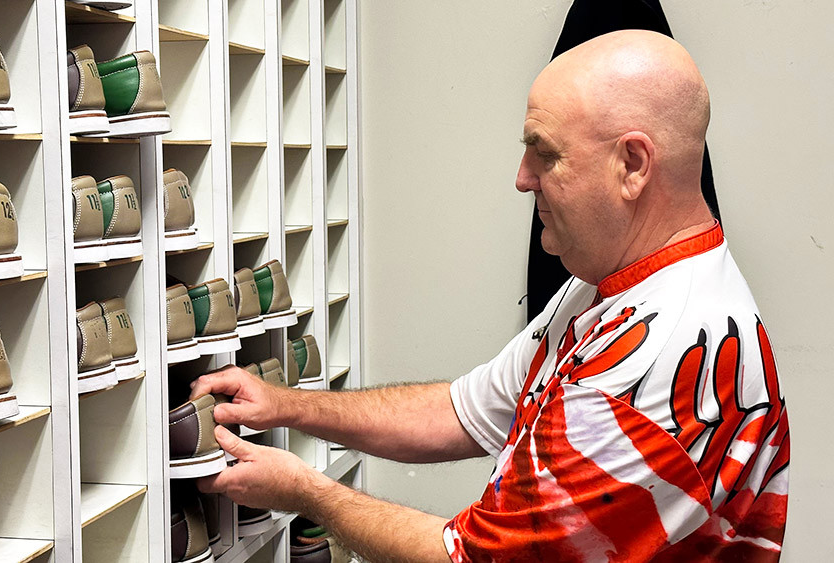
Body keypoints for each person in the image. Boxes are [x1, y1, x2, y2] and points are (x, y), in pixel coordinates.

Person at [193, 29, 789, 562]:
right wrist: (282, 405)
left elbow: (470, 559)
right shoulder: (614, 287)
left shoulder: (653, 361)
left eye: (545, 152)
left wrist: (307, 492)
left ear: (632, 164)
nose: (523, 176)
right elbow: (463, 410)